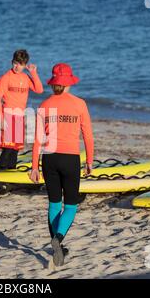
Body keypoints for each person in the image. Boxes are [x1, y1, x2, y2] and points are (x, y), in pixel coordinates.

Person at [29, 63, 94, 266]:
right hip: (70, 159)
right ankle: (57, 240)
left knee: (54, 204)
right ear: (69, 83)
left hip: (49, 158)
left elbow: (38, 139)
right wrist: (90, 160)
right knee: (71, 206)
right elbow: (88, 136)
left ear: (53, 83)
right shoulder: (79, 104)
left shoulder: (44, 105)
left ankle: (57, 246)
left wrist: (34, 166)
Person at [0, 49, 43, 170]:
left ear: (25, 65)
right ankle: (2, 173)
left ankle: (11, 173)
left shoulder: (26, 77)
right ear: (12, 62)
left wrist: (34, 73)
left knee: (15, 150)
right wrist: (0, 119)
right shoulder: (6, 77)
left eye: (20, 64)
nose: (17, 66)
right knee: (8, 149)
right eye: (15, 63)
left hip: (19, 118)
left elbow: (39, 90)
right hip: (8, 117)